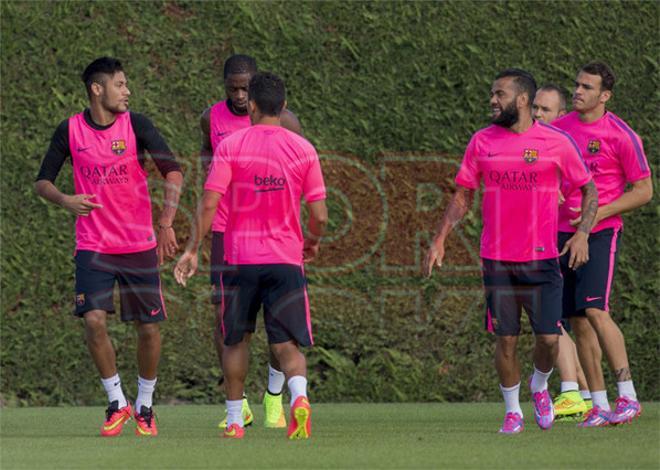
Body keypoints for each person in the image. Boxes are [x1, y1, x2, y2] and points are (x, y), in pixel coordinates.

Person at [425, 69, 597, 434]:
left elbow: (588, 189)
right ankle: (512, 411)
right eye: (492, 93)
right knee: (506, 338)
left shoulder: (556, 142)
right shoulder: (481, 141)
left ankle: (539, 385)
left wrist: (582, 232)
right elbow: (462, 194)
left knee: (549, 339)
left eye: (499, 94)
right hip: (497, 259)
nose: (492, 100)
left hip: (542, 258)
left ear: (521, 100)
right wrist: (440, 237)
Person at [34, 57, 183, 437]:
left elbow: (174, 171)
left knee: (148, 328)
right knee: (93, 320)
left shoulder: (138, 125)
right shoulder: (69, 130)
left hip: (138, 244)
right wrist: (66, 200)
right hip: (93, 245)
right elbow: (42, 182)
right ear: (97, 89)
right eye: (120, 84)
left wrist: (166, 222)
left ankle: (145, 404)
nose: (127, 90)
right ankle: (116, 401)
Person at [176, 72, 327, 440]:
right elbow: (320, 215)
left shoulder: (231, 146)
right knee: (286, 344)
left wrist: (193, 248)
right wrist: (312, 242)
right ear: (285, 106)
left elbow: (210, 202)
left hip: (240, 259)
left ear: (253, 106)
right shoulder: (304, 150)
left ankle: (233, 419)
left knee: (235, 340)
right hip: (286, 260)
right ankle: (300, 399)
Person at [200, 54, 302, 429]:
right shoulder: (211, 119)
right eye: (233, 88)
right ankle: (237, 399)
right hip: (226, 229)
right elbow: (206, 158)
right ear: (224, 86)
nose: (240, 96)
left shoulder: (286, 121)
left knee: (279, 319)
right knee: (224, 318)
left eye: (246, 88)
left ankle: (274, 396)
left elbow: (300, 171)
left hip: (273, 233)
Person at [553, 62, 652, 427]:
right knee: (577, 320)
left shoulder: (622, 135)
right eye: (576, 84)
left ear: (604, 95)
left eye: (586, 87)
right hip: (560, 233)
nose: (577, 91)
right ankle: (598, 403)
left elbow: (644, 191)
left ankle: (628, 396)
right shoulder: (558, 130)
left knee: (596, 310)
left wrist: (596, 215)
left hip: (601, 232)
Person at [533, 85, 594, 419]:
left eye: (546, 110)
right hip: (544, 235)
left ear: (561, 116)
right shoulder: (534, 142)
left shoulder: (559, 143)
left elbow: (586, 187)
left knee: (554, 317)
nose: (539, 114)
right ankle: (583, 393)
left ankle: (571, 390)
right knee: (565, 319)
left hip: (562, 236)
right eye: (536, 108)